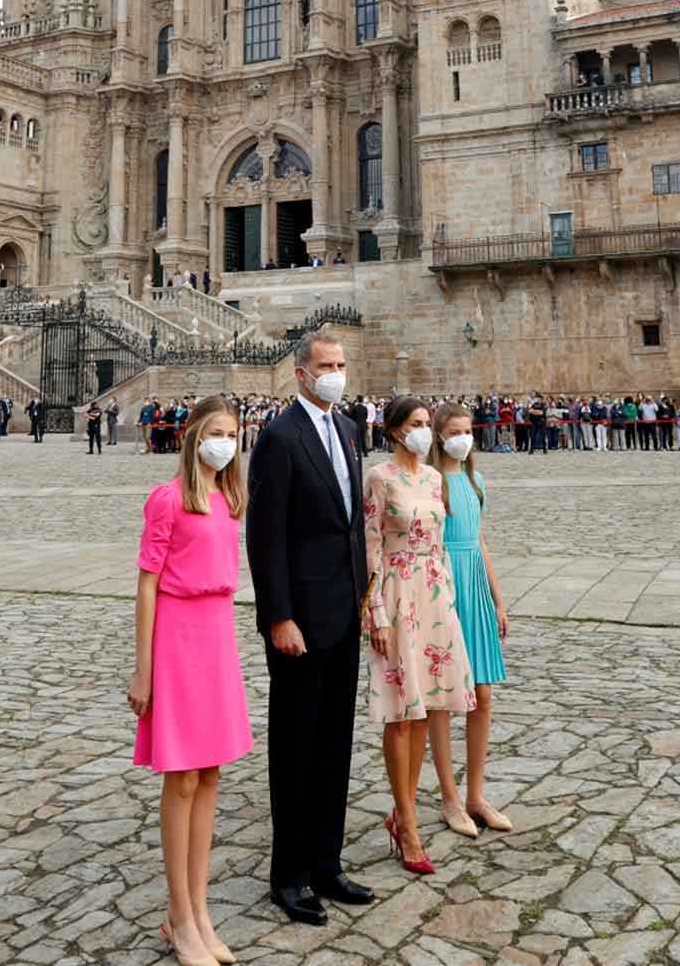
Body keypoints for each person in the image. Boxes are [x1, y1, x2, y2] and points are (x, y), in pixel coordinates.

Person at [246, 334, 373, 926]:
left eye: (342, 366)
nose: (336, 375)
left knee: (336, 743)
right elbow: (264, 538)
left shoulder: (349, 430)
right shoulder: (278, 438)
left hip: (344, 610)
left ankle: (327, 860)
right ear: (300, 374)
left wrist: (366, 596)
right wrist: (278, 615)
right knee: (295, 746)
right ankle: (290, 874)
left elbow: (353, 529)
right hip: (299, 620)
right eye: (326, 367)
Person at [129, 395, 252, 966]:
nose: (225, 442)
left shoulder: (231, 498)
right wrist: (143, 668)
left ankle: (200, 910)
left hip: (217, 634)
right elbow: (148, 583)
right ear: (195, 435)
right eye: (217, 432)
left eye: (233, 433)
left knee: (210, 774)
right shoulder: (168, 499)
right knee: (180, 779)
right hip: (177, 636)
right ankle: (178, 915)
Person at [364, 397, 475, 875]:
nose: (424, 432)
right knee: (400, 713)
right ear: (393, 431)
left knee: (427, 706)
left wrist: (450, 597)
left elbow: (439, 541)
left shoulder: (435, 479)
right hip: (396, 593)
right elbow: (369, 547)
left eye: (427, 424)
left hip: (434, 593)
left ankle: (404, 810)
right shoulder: (379, 478)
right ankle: (407, 823)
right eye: (415, 424)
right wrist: (376, 613)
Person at [428, 404, 510, 839]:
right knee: (443, 698)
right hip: (443, 588)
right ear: (439, 436)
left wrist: (498, 600)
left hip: (474, 586)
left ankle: (476, 794)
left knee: (482, 692)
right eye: (455, 430)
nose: (463, 437)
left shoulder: (476, 483)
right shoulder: (431, 484)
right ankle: (449, 797)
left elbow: (479, 541)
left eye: (468, 430)